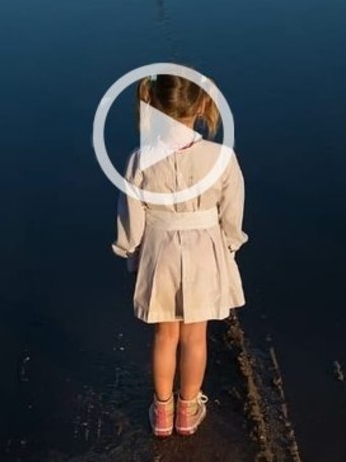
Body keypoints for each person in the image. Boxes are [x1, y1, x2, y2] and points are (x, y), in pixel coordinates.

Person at [110, 73, 248, 438]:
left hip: (161, 252)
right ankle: (187, 410)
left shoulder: (140, 159)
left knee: (165, 335)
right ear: (201, 107)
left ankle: (162, 412)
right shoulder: (221, 157)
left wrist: (131, 252)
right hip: (204, 251)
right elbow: (232, 213)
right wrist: (230, 246)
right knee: (195, 337)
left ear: (153, 105)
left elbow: (131, 215)